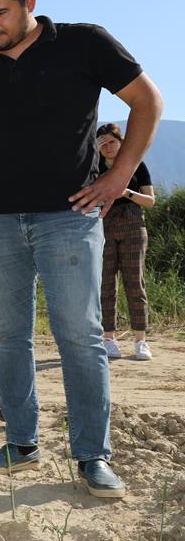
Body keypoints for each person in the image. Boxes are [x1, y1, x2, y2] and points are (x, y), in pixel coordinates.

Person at [0, 0, 163, 498]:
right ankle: (21, 442)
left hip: (68, 216)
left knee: (80, 336)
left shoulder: (84, 44)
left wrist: (116, 179)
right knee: (9, 336)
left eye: (0, 13)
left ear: (30, 3)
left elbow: (147, 101)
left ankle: (93, 455)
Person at [96, 122, 156, 361]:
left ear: (121, 142)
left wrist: (126, 192)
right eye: (102, 144)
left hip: (133, 226)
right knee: (106, 285)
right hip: (104, 226)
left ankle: (141, 340)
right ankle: (108, 338)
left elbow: (150, 201)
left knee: (135, 283)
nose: (107, 147)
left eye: (111, 142)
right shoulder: (95, 168)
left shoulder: (135, 166)